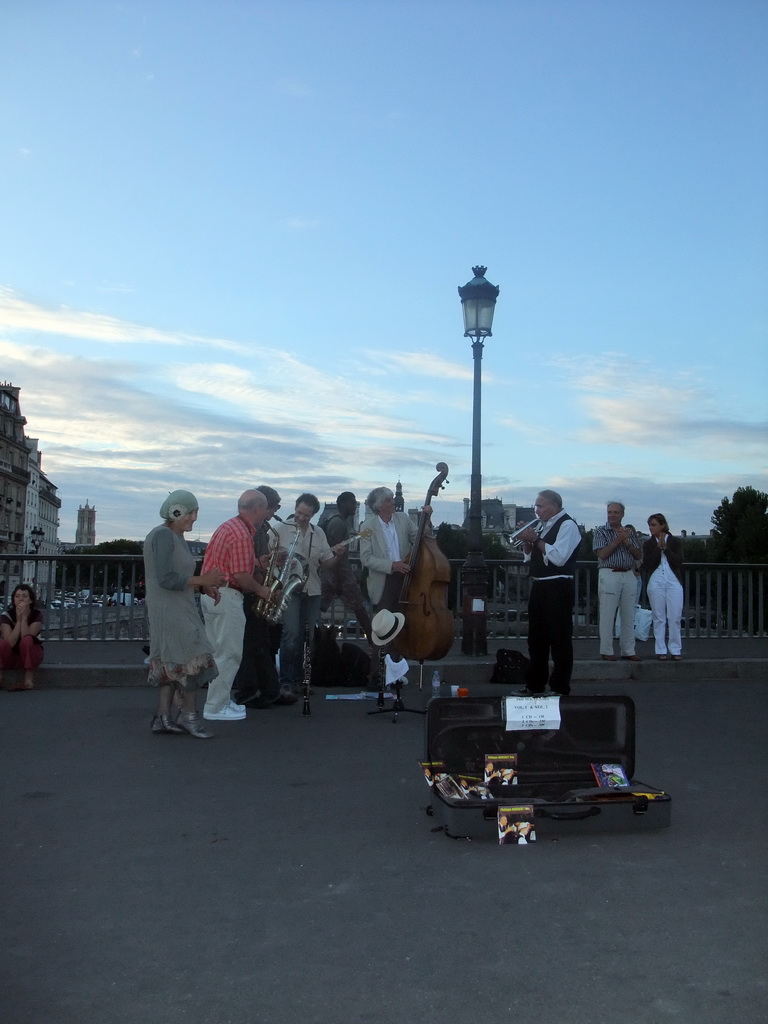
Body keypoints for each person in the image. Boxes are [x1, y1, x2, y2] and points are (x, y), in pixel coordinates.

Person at [143, 490, 227, 738]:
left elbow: (175, 577)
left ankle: (163, 717)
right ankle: (189, 716)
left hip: (175, 607)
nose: (194, 518)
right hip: (171, 611)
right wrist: (203, 579)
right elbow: (167, 578)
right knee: (194, 658)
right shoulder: (163, 536)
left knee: (173, 662)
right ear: (176, 511)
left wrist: (202, 586)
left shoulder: (172, 536)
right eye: (192, 512)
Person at [200, 490, 274, 721]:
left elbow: (231, 562)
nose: (267, 515)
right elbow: (241, 575)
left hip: (212, 596)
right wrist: (263, 591)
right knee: (229, 654)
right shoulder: (243, 534)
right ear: (258, 509)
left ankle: (219, 700)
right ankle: (215, 707)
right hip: (228, 596)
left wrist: (259, 562)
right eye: (266, 509)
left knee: (217, 652)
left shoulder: (229, 526)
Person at [271, 493, 342, 699]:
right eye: (300, 513)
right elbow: (265, 558)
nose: (302, 518)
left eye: (307, 515)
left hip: (312, 589)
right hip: (288, 588)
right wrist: (280, 561)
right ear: (295, 508)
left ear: (313, 516)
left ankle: (301, 680)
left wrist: (337, 555)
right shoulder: (280, 529)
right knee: (290, 635)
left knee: (307, 638)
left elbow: (326, 562)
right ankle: (285, 681)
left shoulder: (317, 532)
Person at [516, 490, 582, 696]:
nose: (537, 511)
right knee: (536, 640)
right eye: (536, 506)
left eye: (541, 506)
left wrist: (535, 540)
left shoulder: (568, 525)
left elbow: (559, 557)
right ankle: (534, 684)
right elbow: (532, 560)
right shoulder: (542, 527)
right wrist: (528, 545)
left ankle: (560, 687)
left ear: (555, 505)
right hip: (539, 586)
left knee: (559, 638)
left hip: (558, 586)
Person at [232, 485, 284, 708]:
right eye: (274, 508)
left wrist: (268, 564)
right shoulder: (248, 530)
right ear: (264, 507)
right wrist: (262, 585)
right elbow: (242, 565)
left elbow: (257, 562)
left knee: (262, 642)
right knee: (251, 643)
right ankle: (248, 691)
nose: (274, 513)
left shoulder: (263, 529)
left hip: (258, 587)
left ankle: (269, 690)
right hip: (249, 590)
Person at [358, 486, 425, 614]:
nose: (393, 502)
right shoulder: (367, 526)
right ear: (379, 506)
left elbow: (420, 538)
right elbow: (366, 558)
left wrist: (426, 519)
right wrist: (392, 565)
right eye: (388, 500)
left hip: (406, 577)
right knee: (386, 622)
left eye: (392, 499)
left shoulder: (403, 518)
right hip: (384, 582)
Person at [593, 501, 643, 661]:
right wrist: (618, 540)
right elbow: (602, 554)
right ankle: (606, 650)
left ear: (622, 514)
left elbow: (637, 555)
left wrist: (626, 541)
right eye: (609, 512)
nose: (612, 515)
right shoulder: (600, 531)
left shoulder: (629, 532)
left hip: (628, 574)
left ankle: (628, 650)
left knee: (629, 614)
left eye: (615, 512)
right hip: (609, 573)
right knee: (607, 613)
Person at [319, 491, 373, 642]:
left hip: (334, 573)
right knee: (359, 607)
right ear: (343, 504)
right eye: (352, 502)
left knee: (319, 607)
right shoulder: (338, 523)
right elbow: (332, 550)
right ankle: (373, 641)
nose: (355, 506)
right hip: (338, 572)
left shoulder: (337, 520)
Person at [642, 513, 685, 661]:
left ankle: (675, 648)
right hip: (656, 580)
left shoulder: (675, 542)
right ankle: (660, 649)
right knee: (658, 616)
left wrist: (665, 549)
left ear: (663, 526)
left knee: (675, 616)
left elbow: (679, 561)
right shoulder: (648, 544)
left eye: (653, 525)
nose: (651, 528)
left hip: (673, 580)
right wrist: (657, 549)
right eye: (650, 525)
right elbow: (647, 564)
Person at [0, 584, 44, 691]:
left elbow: (27, 637)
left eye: (24, 596)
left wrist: (24, 618)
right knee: (1, 643)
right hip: (12, 656)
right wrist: (18, 621)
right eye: (17, 596)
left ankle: (28, 677)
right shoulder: (6, 616)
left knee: (27, 640)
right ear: (13, 600)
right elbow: (10, 642)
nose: (20, 599)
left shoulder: (36, 615)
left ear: (30, 600)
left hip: (31, 654)